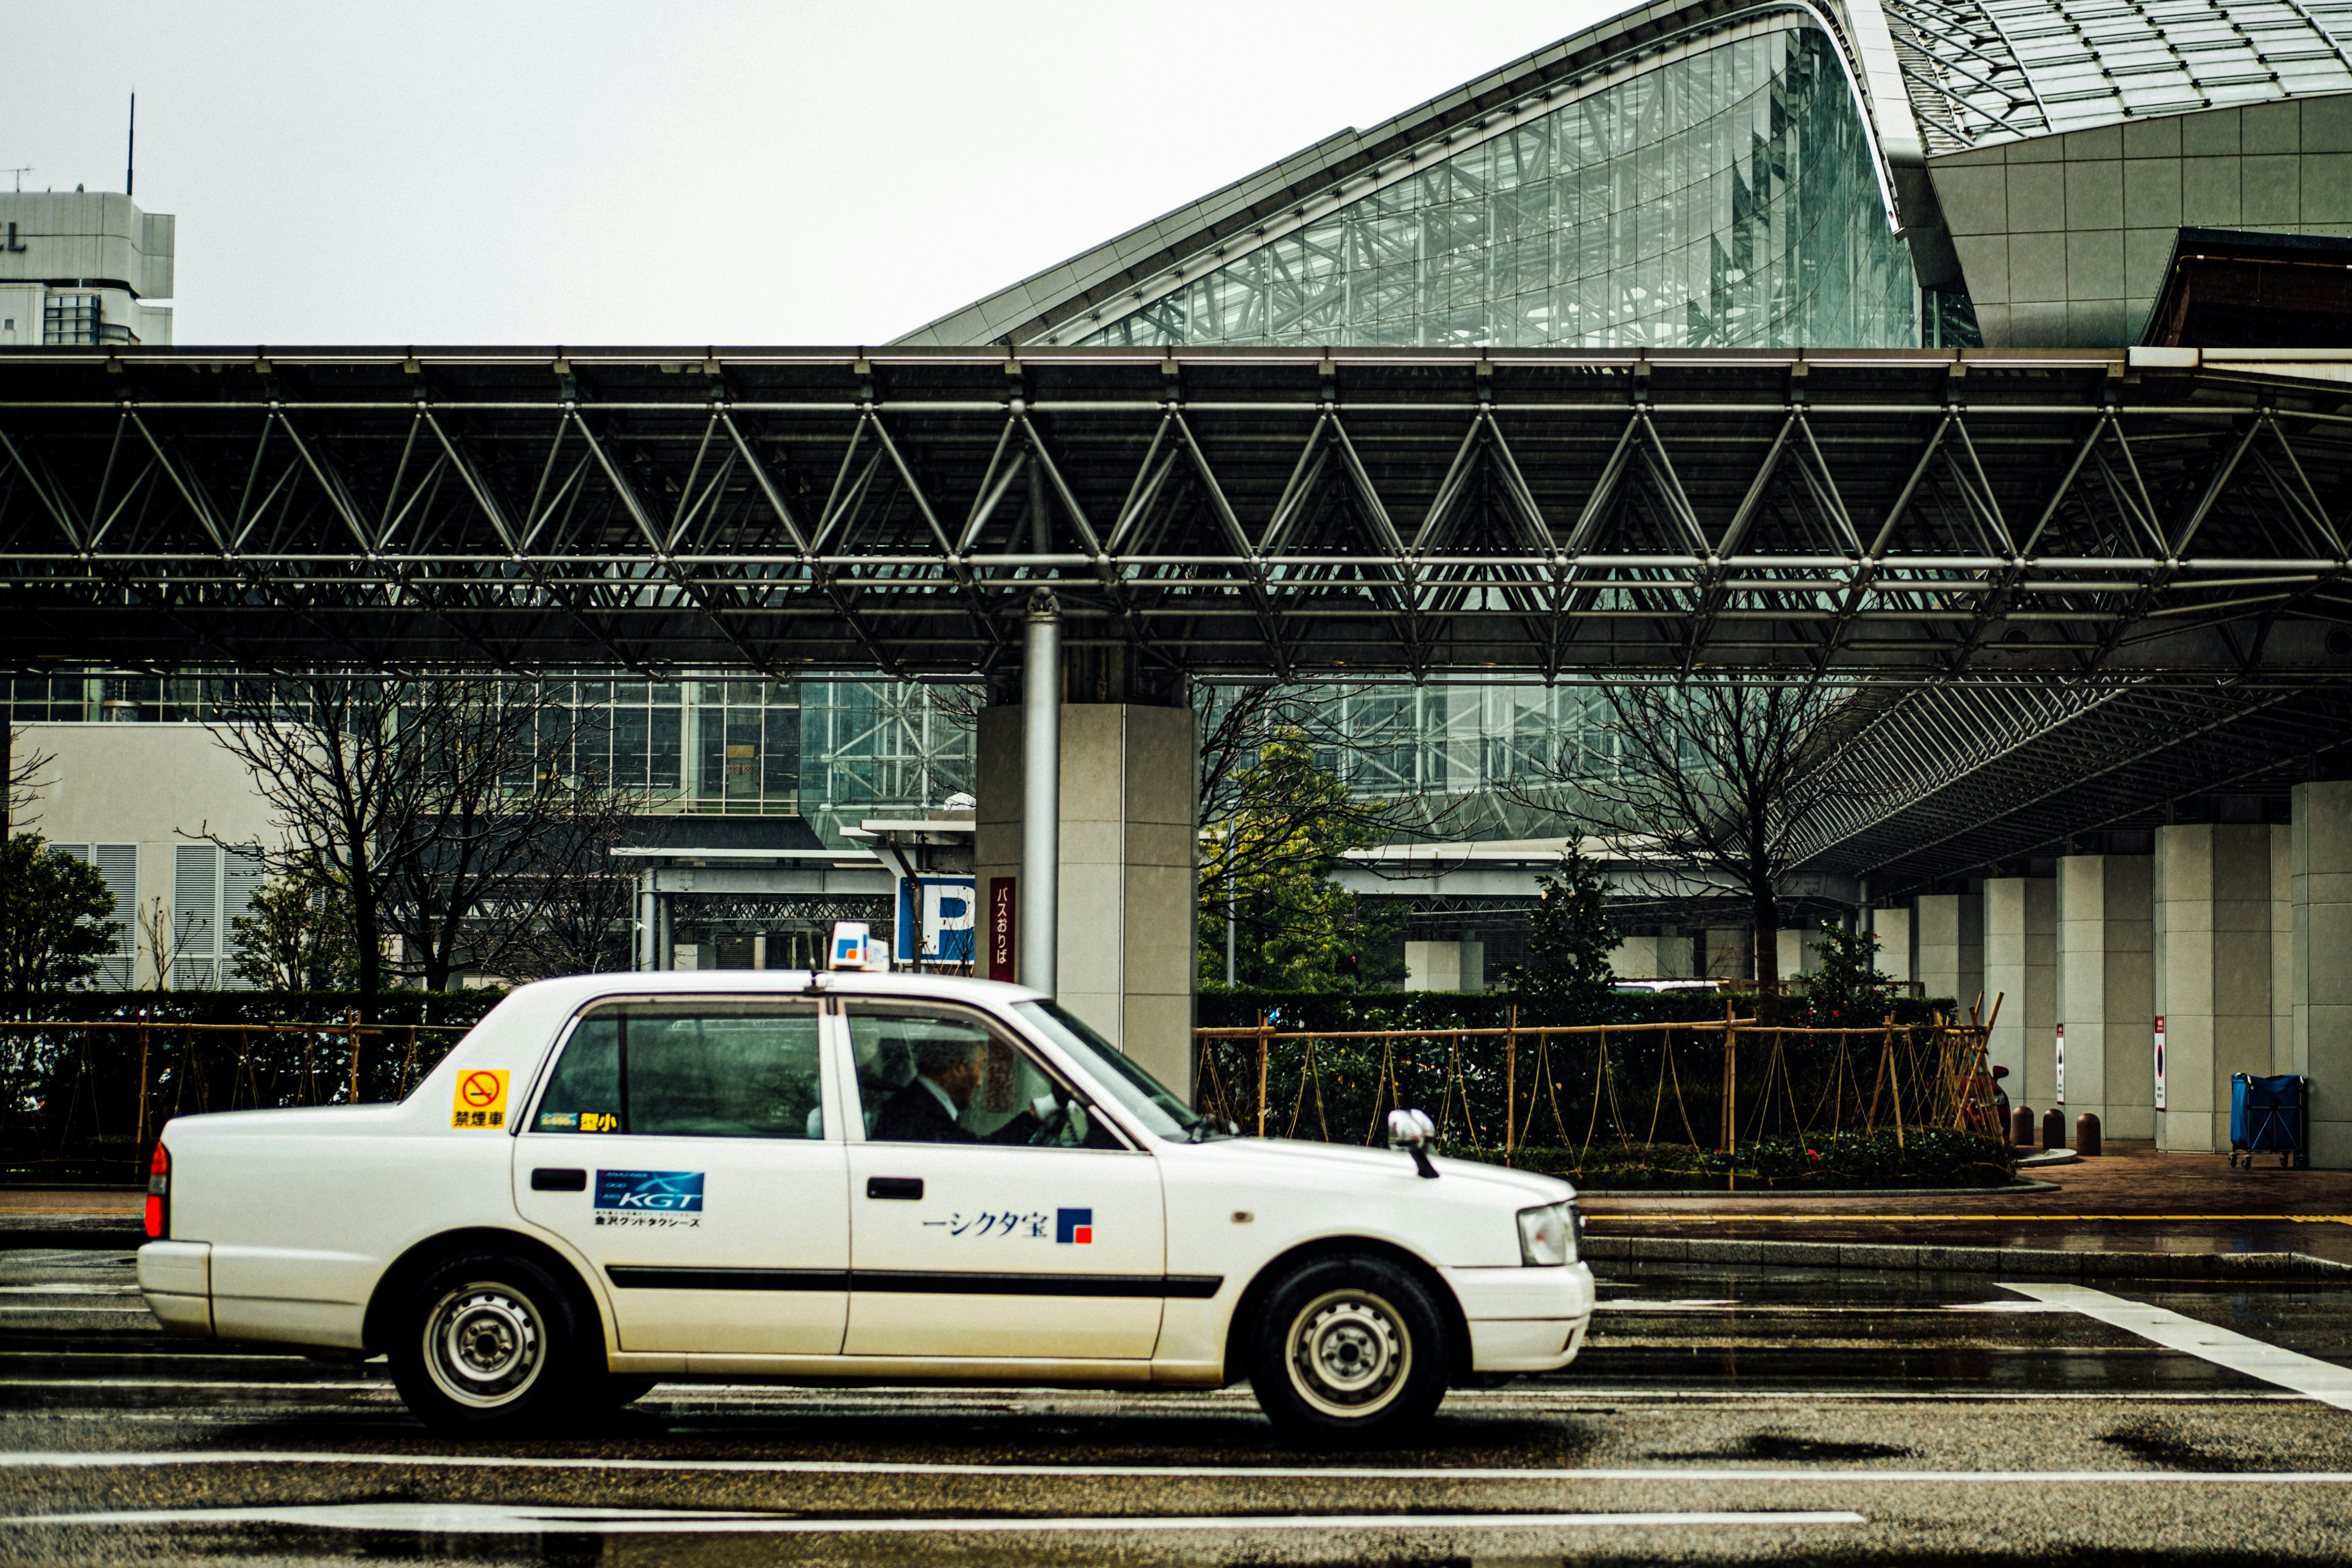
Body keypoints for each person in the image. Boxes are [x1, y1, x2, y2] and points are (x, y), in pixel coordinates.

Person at [871, 1034, 1063, 1145]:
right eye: (979, 1069)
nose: (979, 1082)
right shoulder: (922, 1117)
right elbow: (984, 1154)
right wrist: (1035, 1114)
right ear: (958, 1068)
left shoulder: (912, 1102)